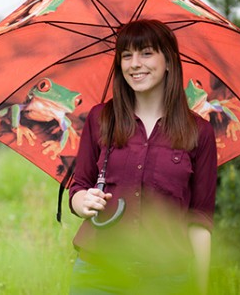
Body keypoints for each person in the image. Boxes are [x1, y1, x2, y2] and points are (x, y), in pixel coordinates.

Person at [68, 19, 217, 294]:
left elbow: (200, 218)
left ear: (169, 61)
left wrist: (202, 287)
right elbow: (79, 187)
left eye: (146, 53)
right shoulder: (101, 119)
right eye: (126, 56)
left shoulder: (200, 133)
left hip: (166, 279)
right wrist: (83, 202)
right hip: (97, 273)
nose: (134, 63)